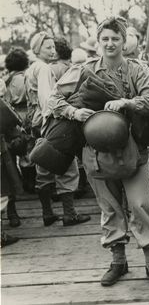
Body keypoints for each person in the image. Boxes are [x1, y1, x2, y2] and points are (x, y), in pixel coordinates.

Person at [48, 16, 149, 288]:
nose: (110, 43)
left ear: (124, 42)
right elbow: (54, 99)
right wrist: (74, 111)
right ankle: (118, 261)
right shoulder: (84, 70)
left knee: (140, 204)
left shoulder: (137, 69)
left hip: (132, 150)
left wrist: (127, 101)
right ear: (98, 42)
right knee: (109, 207)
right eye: (105, 39)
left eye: (116, 38)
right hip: (96, 152)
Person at [25, 31, 90, 227]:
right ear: (37, 49)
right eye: (48, 47)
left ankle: (47, 213)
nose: (53, 51)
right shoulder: (44, 69)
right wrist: (58, 119)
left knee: (43, 166)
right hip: (50, 121)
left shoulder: (31, 68)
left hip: (36, 122)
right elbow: (48, 99)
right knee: (67, 167)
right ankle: (69, 214)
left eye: (53, 47)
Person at [3, 48, 30, 226]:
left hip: (5, 121)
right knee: (24, 155)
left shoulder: (6, 79)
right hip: (17, 118)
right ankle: (28, 185)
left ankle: (12, 213)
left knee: (8, 167)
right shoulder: (23, 78)